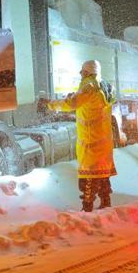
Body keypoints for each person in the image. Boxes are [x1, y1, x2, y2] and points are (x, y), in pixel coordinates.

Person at [46, 60, 116, 212]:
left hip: (91, 139)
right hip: (103, 138)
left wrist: (51, 104)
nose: (80, 73)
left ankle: (87, 208)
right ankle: (106, 202)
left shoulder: (89, 86)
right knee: (102, 172)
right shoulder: (105, 85)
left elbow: (72, 103)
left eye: (82, 70)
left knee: (89, 175)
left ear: (87, 72)